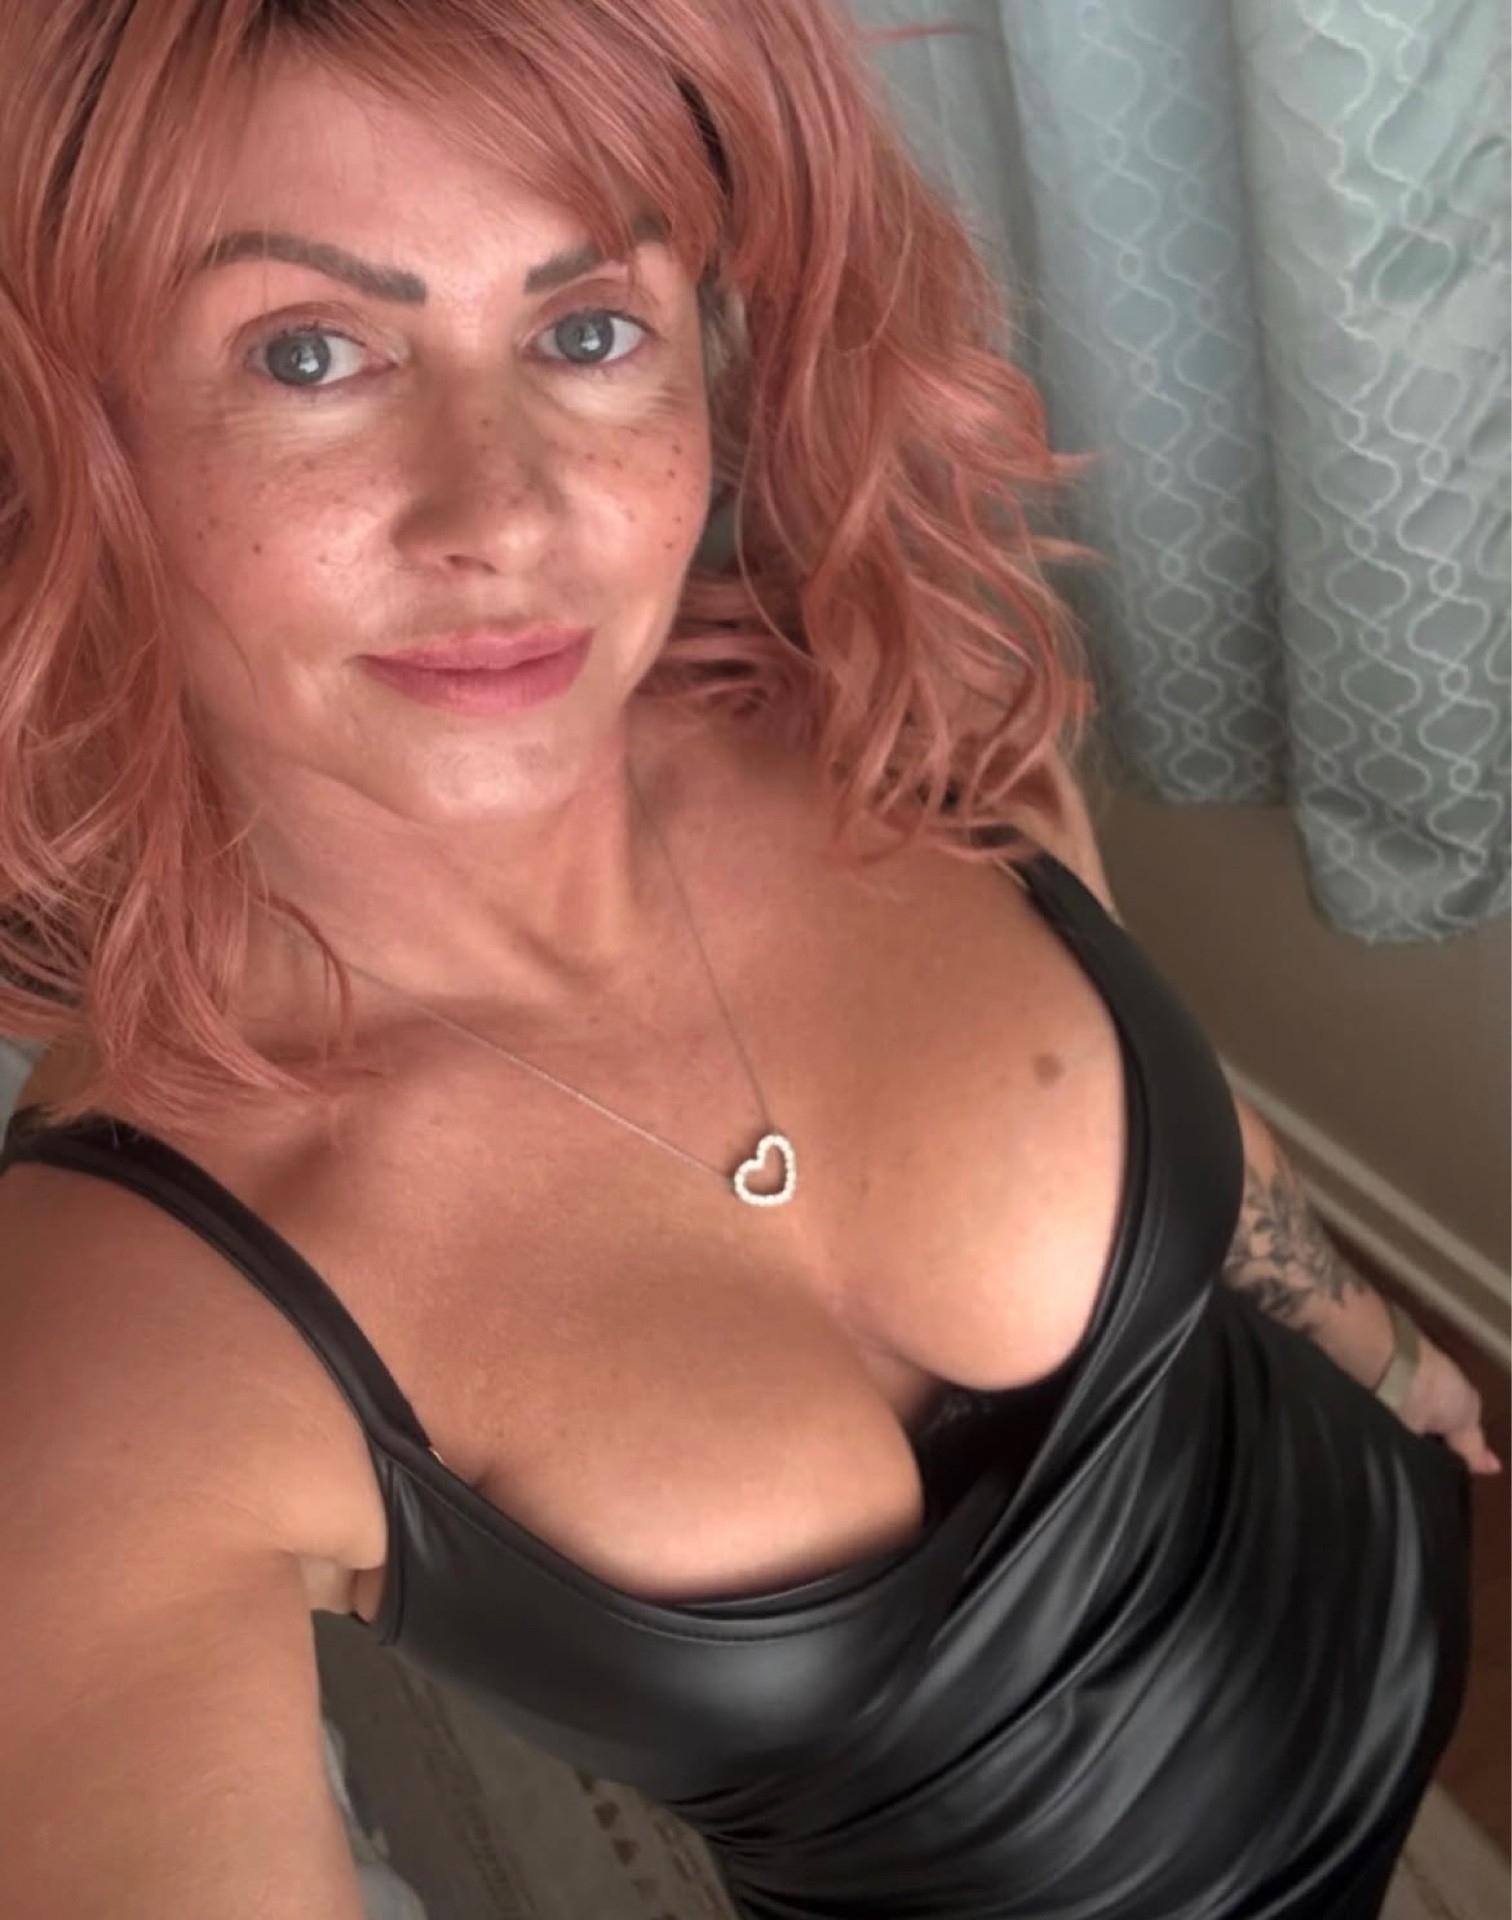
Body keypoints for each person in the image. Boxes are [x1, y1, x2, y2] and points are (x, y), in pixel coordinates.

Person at [0, 3, 1496, 1916]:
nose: (509, 510)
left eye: (587, 330)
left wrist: (1384, 1353)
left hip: (1381, 1578)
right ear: (65, 442)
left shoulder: (888, 715)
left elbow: (1174, 1102)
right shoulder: (117, 1323)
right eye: (309, 352)